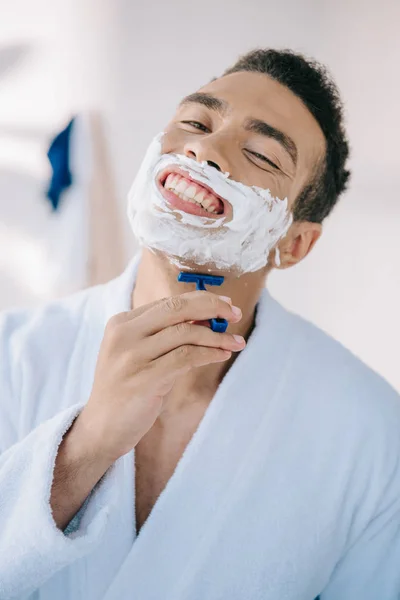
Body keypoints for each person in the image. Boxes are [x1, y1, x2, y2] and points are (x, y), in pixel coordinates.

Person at [1, 48, 399, 600]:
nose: (205, 148)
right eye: (195, 122)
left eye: (260, 154)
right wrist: (83, 450)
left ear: (295, 242)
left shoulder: (374, 434)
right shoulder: (12, 356)